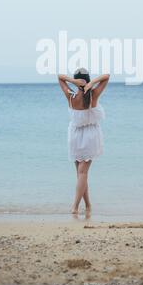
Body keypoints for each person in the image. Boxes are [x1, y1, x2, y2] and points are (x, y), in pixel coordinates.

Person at [58, 69, 109, 215]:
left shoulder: (70, 96)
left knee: (80, 174)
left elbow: (60, 78)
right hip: (90, 136)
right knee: (82, 174)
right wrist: (91, 83)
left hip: (74, 135)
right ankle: (75, 207)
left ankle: (88, 205)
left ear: (77, 80)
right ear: (87, 79)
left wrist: (74, 83)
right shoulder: (93, 95)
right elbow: (106, 77)